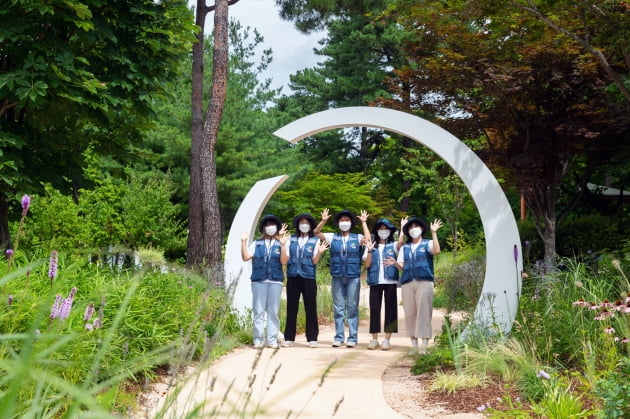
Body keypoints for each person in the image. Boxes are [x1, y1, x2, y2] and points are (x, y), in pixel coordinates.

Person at [314, 208, 370, 348]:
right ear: (338, 223)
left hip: (353, 277)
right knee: (338, 308)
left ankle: (352, 338)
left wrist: (363, 222)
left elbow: (368, 240)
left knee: (352, 308)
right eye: (342, 220)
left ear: (351, 222)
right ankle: (339, 337)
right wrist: (323, 220)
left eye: (347, 220)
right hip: (337, 276)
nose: (344, 222)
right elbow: (316, 233)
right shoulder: (333, 237)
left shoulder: (356, 238)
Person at [395, 216, 443, 355]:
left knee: (424, 311)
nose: (413, 229)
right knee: (410, 313)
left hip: (424, 282)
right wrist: (395, 263)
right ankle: (414, 345)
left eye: (416, 226)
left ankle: (424, 345)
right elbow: (402, 266)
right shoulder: (405, 247)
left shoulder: (427, 243)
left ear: (421, 229)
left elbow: (436, 250)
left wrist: (434, 233)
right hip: (407, 283)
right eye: (410, 227)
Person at [241, 214, 289, 349]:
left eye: (272, 225)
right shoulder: (257, 243)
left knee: (273, 311)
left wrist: (284, 246)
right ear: (263, 228)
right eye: (267, 225)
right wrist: (243, 242)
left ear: (277, 227)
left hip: (275, 281)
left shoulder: (281, 243)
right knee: (258, 311)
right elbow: (246, 257)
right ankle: (258, 339)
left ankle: (272, 339)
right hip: (259, 281)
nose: (270, 227)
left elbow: (284, 261)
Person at [283, 213, 329, 348]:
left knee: (310, 307)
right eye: (301, 222)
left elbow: (314, 261)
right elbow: (286, 258)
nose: (304, 225)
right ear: (298, 225)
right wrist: (283, 245)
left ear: (310, 226)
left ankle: (312, 338)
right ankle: (289, 337)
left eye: (306, 223)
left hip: (308, 277)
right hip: (293, 276)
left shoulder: (314, 240)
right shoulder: (291, 239)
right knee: (291, 307)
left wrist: (320, 252)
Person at [363, 218, 406, 350]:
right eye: (381, 229)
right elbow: (367, 265)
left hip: (390, 281)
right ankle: (374, 339)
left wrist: (403, 227)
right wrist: (369, 251)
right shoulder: (371, 246)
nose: (383, 231)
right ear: (376, 231)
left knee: (391, 311)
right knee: (374, 310)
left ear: (390, 231)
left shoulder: (393, 246)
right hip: (375, 282)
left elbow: (400, 242)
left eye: (386, 229)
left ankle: (387, 340)